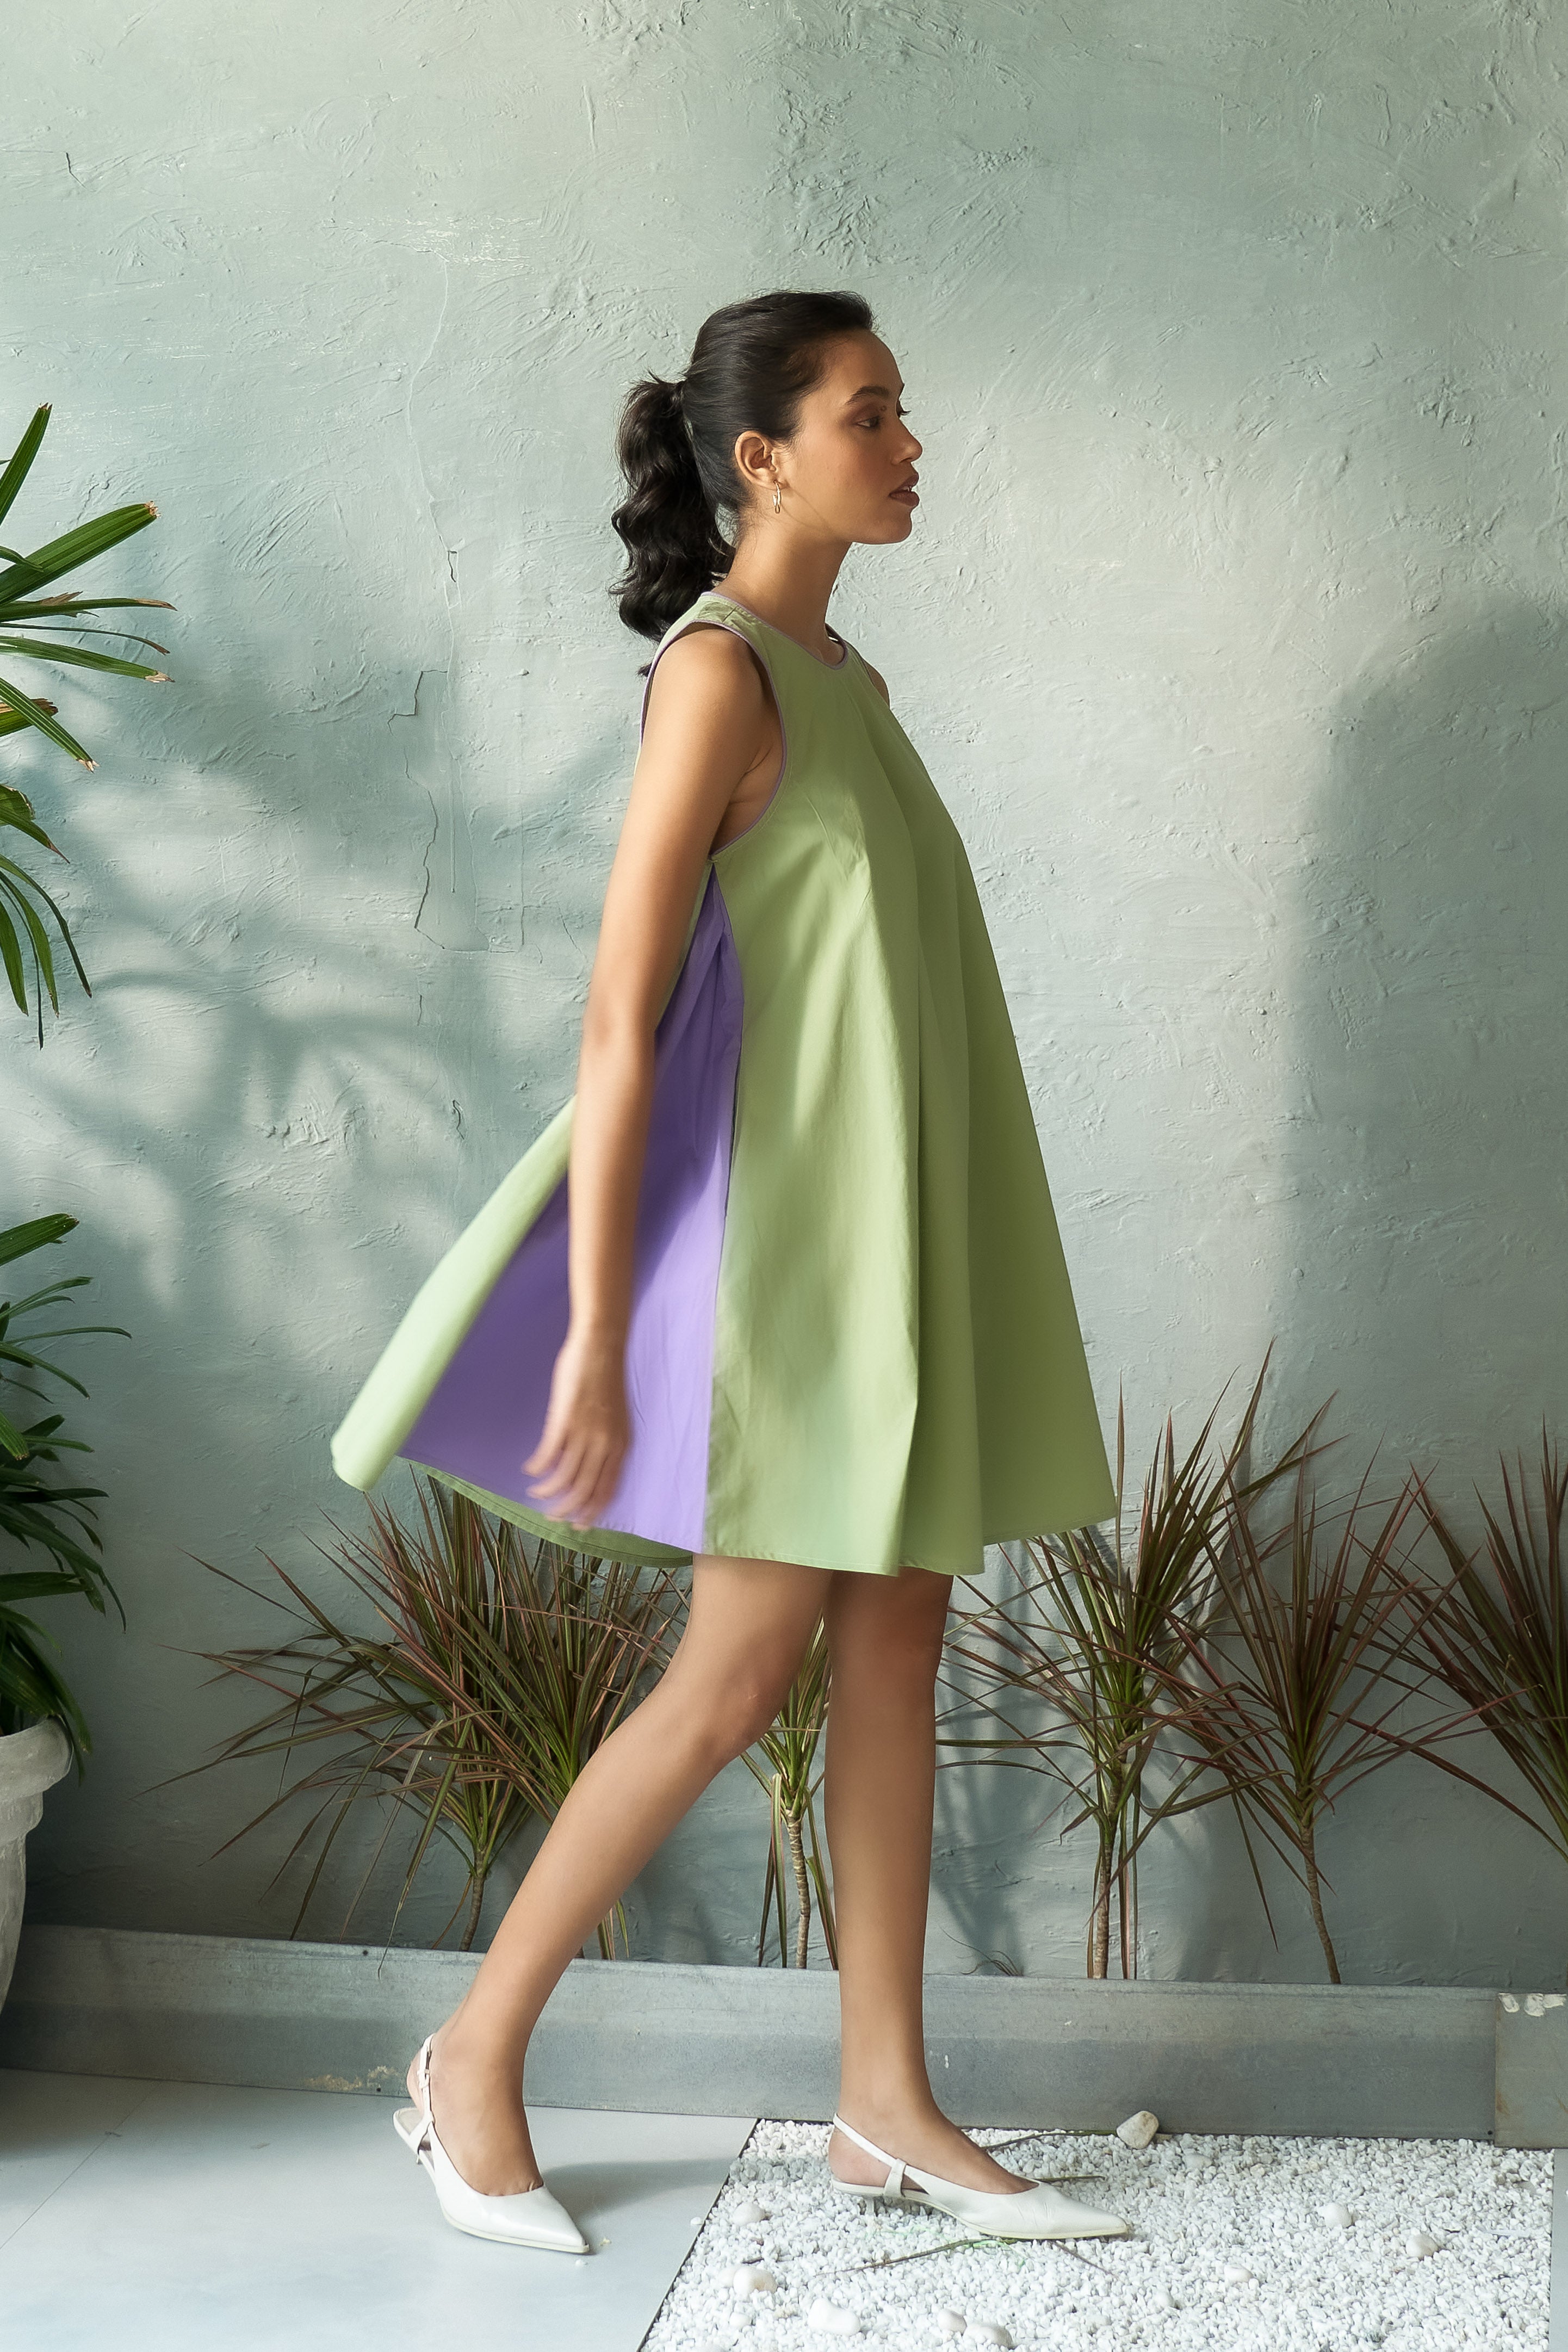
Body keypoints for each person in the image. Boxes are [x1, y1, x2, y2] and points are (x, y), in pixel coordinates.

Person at [333, 288, 1124, 2253]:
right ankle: (467, 2059)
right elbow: (619, 1020)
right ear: (761, 457)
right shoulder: (718, 673)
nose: (910, 445)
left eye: (904, 410)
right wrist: (602, 1328)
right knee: (736, 1669)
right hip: (781, 1264)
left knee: (897, 1639)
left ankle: (883, 2103)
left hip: (897, 1246)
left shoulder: (848, 676)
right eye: (872, 413)